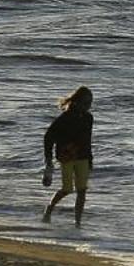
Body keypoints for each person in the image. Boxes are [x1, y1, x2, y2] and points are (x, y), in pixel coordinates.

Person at [42, 86, 95, 227]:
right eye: (85, 103)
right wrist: (49, 159)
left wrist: (90, 159)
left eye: (90, 103)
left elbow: (88, 139)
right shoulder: (64, 118)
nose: (88, 106)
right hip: (66, 156)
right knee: (67, 189)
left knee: (82, 190)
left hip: (83, 156)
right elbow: (48, 137)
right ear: (76, 102)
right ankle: (49, 209)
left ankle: (77, 222)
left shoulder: (89, 118)